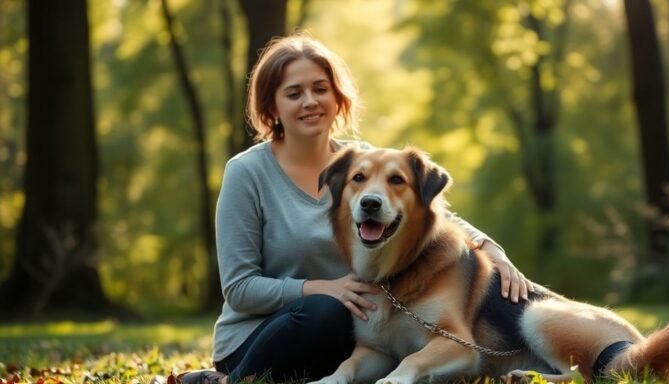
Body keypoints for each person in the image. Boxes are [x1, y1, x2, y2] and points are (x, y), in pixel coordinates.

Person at [179, 33, 534, 384]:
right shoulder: (246, 173)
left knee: (365, 327)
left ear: (337, 97)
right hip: (262, 336)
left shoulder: (362, 161)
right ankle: (229, 380)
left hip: (351, 326)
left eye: (320, 88)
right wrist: (320, 288)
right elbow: (240, 288)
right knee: (327, 311)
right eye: (293, 93)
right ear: (271, 107)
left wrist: (490, 248)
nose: (310, 101)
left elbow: (428, 213)